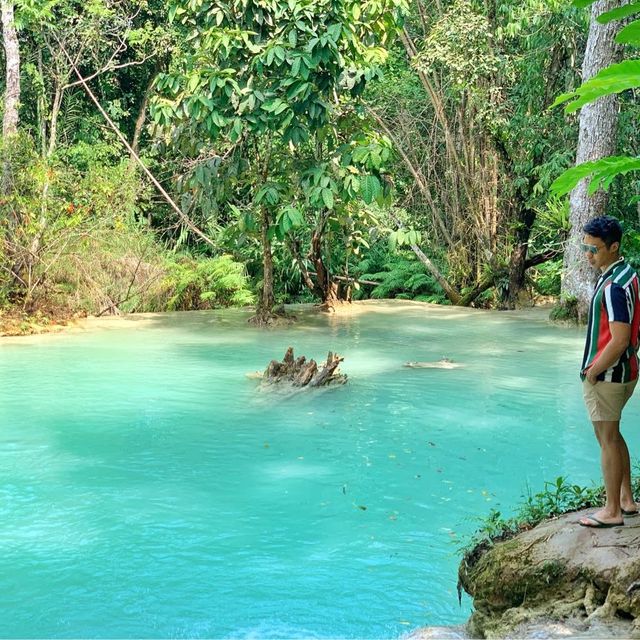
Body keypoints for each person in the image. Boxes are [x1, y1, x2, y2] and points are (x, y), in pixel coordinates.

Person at [578, 215, 640, 528]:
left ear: (613, 247)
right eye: (585, 247)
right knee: (613, 436)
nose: (588, 254)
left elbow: (619, 339)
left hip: (608, 376)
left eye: (595, 249)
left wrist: (593, 372)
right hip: (626, 372)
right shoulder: (627, 273)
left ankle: (612, 510)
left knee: (606, 440)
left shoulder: (614, 286)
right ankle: (627, 501)